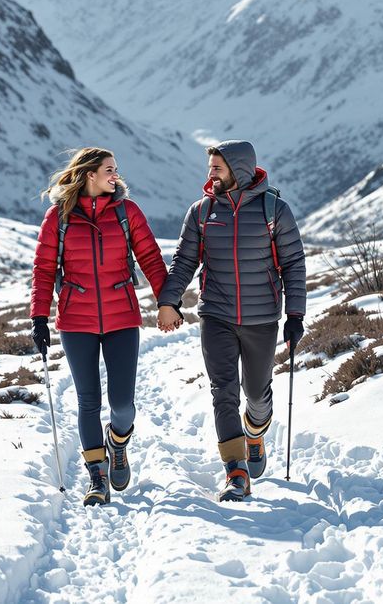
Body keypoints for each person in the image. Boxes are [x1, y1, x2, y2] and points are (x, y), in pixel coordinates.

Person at [156, 140, 306, 501]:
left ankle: (254, 433)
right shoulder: (202, 212)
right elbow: (184, 262)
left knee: (256, 393)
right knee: (223, 393)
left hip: (262, 319)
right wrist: (169, 300)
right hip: (216, 316)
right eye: (210, 168)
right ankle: (236, 472)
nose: (210, 174)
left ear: (237, 170)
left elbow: (294, 264)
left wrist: (295, 314)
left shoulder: (275, 210)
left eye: (217, 168)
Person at [29, 147, 168, 506]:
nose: (116, 176)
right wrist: (39, 317)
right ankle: (97, 477)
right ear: (90, 174)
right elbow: (44, 270)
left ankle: (118, 443)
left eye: (116, 170)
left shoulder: (126, 212)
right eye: (110, 169)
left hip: (122, 316)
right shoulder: (58, 217)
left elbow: (151, 257)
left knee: (122, 404)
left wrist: (167, 301)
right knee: (88, 401)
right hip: (76, 322)